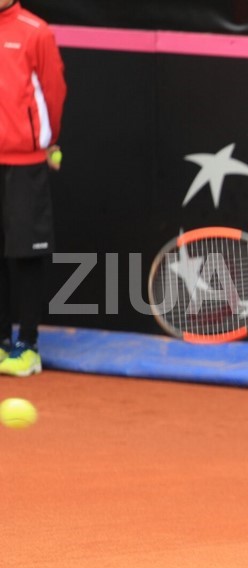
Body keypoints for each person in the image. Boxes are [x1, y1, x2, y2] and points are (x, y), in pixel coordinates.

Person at [0, 0, 66, 376]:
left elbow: (53, 91)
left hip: (24, 162)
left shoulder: (35, 31)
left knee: (25, 254)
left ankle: (27, 345)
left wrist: (48, 141)